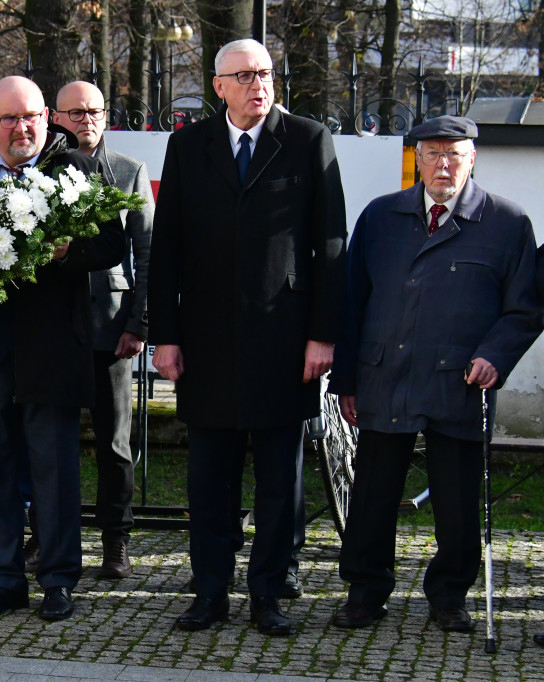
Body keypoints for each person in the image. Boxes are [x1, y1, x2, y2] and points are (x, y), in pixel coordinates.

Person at [148, 38, 347, 636]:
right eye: (244, 75)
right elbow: (167, 251)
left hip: (284, 339)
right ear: (218, 86)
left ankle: (268, 592)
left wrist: (322, 336)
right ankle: (210, 592)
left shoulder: (308, 139)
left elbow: (330, 245)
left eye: (265, 73)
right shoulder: (188, 146)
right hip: (206, 341)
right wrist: (166, 335)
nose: (259, 84)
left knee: (279, 478)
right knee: (208, 475)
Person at [329, 115, 542, 632]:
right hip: (385, 376)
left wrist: (495, 354)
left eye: (454, 154)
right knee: (374, 494)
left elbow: (524, 309)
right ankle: (365, 590)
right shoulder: (381, 217)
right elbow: (352, 303)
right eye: (432, 153)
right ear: (417, 160)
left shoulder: (507, 223)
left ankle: (449, 595)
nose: (443, 164)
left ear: (472, 159)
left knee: (457, 499)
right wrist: (347, 380)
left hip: (460, 382)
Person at [0, 76, 124, 621]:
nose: (21, 127)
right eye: (9, 118)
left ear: (47, 118)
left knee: (54, 469)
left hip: (51, 346)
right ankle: (3, 577)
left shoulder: (73, 166)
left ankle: (57, 579)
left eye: (31, 116)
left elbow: (110, 243)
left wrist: (60, 248)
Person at [52, 80, 152, 578]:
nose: (85, 120)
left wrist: (138, 324)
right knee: (52, 439)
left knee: (115, 443)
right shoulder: (42, 173)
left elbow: (147, 253)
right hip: (53, 326)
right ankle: (46, 532)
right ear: (55, 116)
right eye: (74, 113)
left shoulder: (129, 173)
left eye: (93, 111)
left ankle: (116, 539)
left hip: (111, 325)